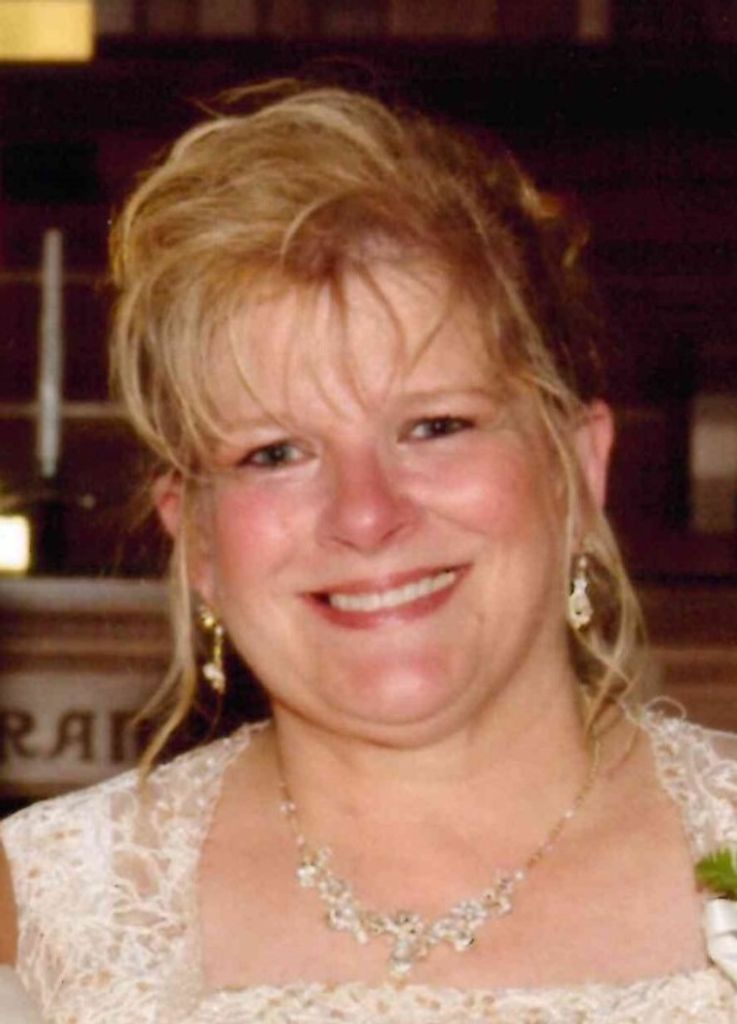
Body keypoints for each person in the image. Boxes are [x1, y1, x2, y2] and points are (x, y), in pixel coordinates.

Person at [1, 79, 736, 1023]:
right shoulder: (48, 918)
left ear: (578, 469)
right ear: (197, 540)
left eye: (434, 426)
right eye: (275, 452)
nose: (365, 513)